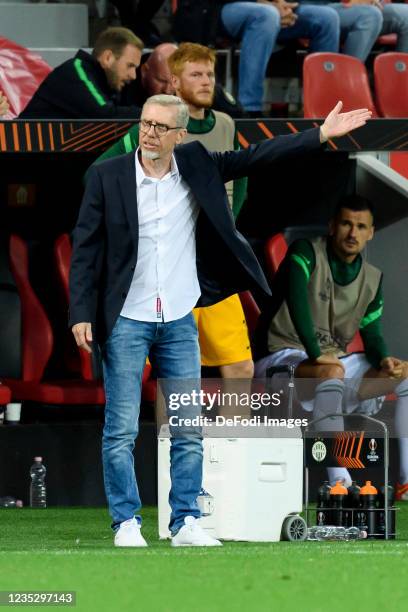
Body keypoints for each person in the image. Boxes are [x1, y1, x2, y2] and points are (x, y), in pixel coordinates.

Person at [69, 94, 370, 546]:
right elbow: (85, 250)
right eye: (145, 123)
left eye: (159, 127)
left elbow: (256, 156)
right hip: (126, 318)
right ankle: (126, 523)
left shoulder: (196, 164)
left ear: (180, 134)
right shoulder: (107, 176)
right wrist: (80, 313)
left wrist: (320, 135)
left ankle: (186, 520)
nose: (148, 133)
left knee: (189, 426)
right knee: (122, 427)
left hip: (179, 317)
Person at [94, 42, 251, 381]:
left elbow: (242, 181)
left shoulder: (225, 124)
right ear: (175, 83)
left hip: (212, 263)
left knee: (240, 365)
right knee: (175, 370)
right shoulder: (152, 128)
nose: (207, 81)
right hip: (166, 260)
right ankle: (166, 437)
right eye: (196, 74)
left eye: (210, 74)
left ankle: (231, 437)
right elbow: (98, 176)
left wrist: (227, 227)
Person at [255, 195, 408, 492]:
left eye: (361, 226)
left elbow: (371, 332)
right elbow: (297, 300)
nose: (353, 233)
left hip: (332, 360)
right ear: (332, 226)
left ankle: (406, 481)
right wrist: (315, 353)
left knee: (402, 375)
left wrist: (384, 360)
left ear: (371, 232)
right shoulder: (305, 251)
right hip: (280, 356)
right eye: (346, 224)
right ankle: (339, 480)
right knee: (331, 372)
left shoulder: (372, 279)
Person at [218, 0, 341, 112]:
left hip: (279, 7)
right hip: (226, 6)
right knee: (267, 14)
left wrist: (283, 4)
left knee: (328, 17)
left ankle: (322, 109)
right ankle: (249, 108)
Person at [19, 27, 144, 119]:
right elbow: (105, 116)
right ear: (108, 58)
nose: (133, 75)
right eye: (129, 66)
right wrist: (153, 113)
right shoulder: (75, 70)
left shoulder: (107, 83)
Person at [299, 0, 408, 62]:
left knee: (405, 15)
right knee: (369, 16)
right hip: (314, 6)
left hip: (352, 7)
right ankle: (346, 86)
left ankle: (399, 90)